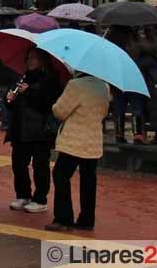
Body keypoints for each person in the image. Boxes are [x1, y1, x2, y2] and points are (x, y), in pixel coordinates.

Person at [45, 72, 111, 233]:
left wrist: (55, 105)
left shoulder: (76, 85)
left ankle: (63, 218)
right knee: (89, 179)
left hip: (74, 140)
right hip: (93, 140)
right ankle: (87, 219)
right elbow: (103, 113)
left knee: (61, 175)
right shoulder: (104, 87)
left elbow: (60, 111)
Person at [4, 48, 60, 214]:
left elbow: (49, 104)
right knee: (18, 163)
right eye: (28, 58)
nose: (29, 61)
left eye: (34, 58)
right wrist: (10, 100)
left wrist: (30, 92)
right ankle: (23, 194)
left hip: (40, 130)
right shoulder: (23, 77)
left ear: (42, 61)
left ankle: (40, 198)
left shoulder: (51, 80)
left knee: (40, 165)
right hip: (21, 128)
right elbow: (17, 105)